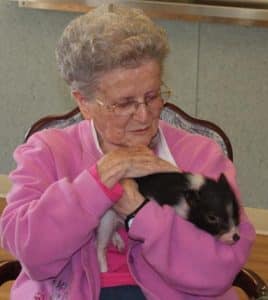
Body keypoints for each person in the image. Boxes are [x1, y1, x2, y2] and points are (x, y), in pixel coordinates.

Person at [0, 4, 255, 300]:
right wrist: (100, 179)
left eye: (152, 96)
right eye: (124, 104)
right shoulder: (47, 151)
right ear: (83, 102)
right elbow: (32, 252)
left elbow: (219, 269)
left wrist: (140, 214)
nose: (145, 116)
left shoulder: (201, 155)